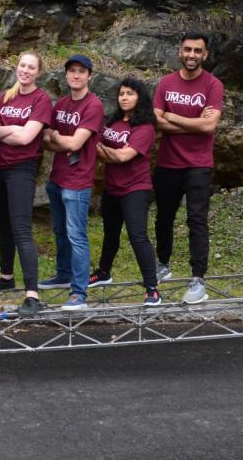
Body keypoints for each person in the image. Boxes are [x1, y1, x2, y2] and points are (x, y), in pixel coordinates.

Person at [152, 32, 223, 304]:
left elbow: (208, 126)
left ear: (205, 55)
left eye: (197, 51)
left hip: (198, 165)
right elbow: (155, 122)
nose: (191, 55)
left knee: (196, 220)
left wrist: (170, 115)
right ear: (180, 52)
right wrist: (191, 123)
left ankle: (198, 279)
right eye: (187, 50)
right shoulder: (166, 83)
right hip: (168, 163)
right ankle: (163, 264)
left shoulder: (213, 85)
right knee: (163, 218)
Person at [0, 52, 53, 317]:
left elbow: (26, 138)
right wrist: (12, 130)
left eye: (31, 67)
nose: (25, 70)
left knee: (21, 228)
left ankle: (32, 295)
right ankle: (5, 276)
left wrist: (8, 131)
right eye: (22, 65)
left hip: (22, 170)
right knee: (2, 223)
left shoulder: (41, 99)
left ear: (38, 72)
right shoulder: (6, 96)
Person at [41, 54, 104, 311]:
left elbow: (76, 143)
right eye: (72, 71)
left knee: (77, 236)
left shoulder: (93, 105)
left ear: (90, 76)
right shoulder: (61, 105)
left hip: (77, 182)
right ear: (66, 75)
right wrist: (58, 138)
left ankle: (79, 293)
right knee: (60, 232)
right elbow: (45, 140)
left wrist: (58, 137)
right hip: (57, 177)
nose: (76, 75)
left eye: (81, 71)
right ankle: (63, 274)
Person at [93, 77, 160, 305]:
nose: (124, 97)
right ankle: (104, 272)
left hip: (135, 189)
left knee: (137, 236)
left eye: (130, 93)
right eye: (121, 93)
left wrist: (97, 146)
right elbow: (96, 143)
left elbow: (123, 156)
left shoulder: (145, 128)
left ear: (140, 98)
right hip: (112, 188)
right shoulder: (112, 123)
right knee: (110, 233)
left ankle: (152, 287)